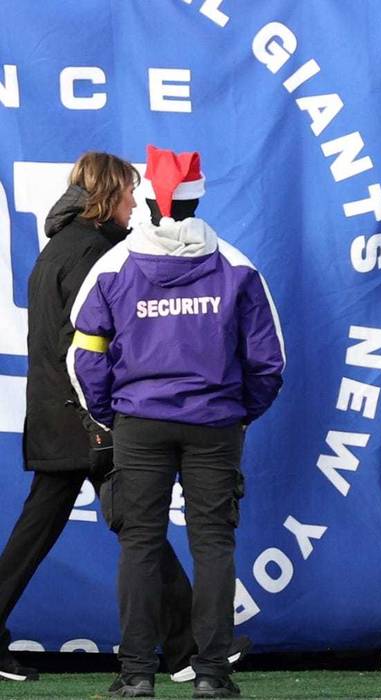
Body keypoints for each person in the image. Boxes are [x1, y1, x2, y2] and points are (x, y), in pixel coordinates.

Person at [1, 152, 247, 687]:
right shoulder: (97, 254)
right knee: (139, 530)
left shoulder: (57, 249)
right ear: (106, 196)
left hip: (56, 412)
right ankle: (185, 647)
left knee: (69, 531)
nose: (137, 203)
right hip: (90, 419)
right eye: (128, 193)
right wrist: (108, 411)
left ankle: (182, 645)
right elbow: (97, 344)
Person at [69, 145, 285, 698]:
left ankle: (136, 675)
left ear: (145, 199)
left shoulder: (114, 266)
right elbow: (268, 363)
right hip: (215, 424)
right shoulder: (238, 266)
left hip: (139, 424)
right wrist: (236, 414)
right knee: (213, 543)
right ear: (199, 199)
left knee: (140, 544)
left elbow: (85, 355)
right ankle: (212, 675)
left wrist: (109, 413)